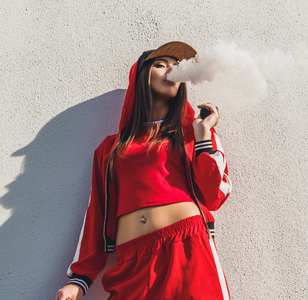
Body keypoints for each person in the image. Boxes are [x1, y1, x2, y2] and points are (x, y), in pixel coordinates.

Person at [55, 41, 232, 300]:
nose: (171, 70)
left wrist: (204, 136)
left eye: (176, 67)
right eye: (161, 65)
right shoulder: (110, 148)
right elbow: (97, 215)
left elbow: (215, 194)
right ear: (141, 77)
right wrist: (80, 281)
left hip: (187, 248)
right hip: (131, 262)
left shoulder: (194, 133)